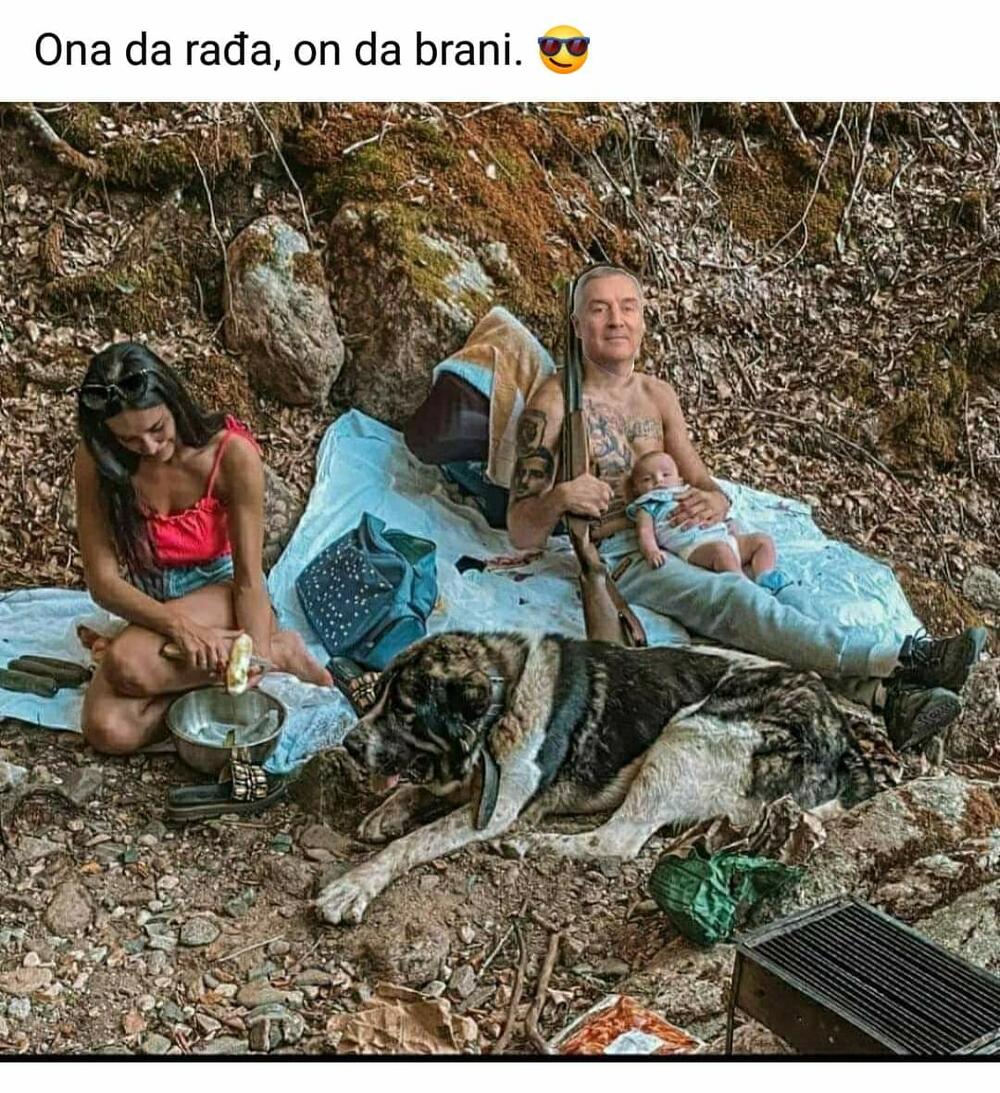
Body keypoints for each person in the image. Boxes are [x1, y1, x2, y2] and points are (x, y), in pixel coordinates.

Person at [507, 265, 987, 750]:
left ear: (643, 320)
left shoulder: (657, 395)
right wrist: (562, 496)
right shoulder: (555, 402)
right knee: (734, 598)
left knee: (781, 593)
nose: (616, 320)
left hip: (690, 534)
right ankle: (903, 658)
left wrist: (714, 499)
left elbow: (702, 481)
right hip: (625, 553)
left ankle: (887, 699)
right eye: (599, 309)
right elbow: (520, 530)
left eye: (627, 308)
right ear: (577, 325)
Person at [74, 342, 331, 755]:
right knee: (109, 729)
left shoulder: (230, 455)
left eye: (157, 428)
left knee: (125, 663)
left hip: (221, 593)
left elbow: (248, 580)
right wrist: (179, 628)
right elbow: (103, 583)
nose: (150, 447)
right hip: (156, 605)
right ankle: (217, 664)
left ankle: (274, 649)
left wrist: (253, 655)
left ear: (173, 402)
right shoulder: (97, 461)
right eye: (129, 439)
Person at [627, 449, 786, 591]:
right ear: (636, 489)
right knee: (721, 552)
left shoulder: (687, 491)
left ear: (679, 480)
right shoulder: (648, 505)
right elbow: (644, 531)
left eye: (666, 475)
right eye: (647, 479)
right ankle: (746, 586)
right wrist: (652, 551)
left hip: (723, 537)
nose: (658, 480)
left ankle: (765, 576)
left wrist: (725, 523)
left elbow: (711, 508)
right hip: (695, 547)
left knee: (762, 541)